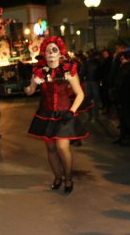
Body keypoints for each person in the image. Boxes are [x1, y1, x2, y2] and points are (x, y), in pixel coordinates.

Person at [24, 36, 88, 194]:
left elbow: (80, 94)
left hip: (64, 114)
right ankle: (57, 177)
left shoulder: (68, 70)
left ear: (60, 53)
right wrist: (26, 84)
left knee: (62, 147)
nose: (51, 53)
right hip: (45, 114)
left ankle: (68, 178)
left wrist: (71, 111)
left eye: (54, 50)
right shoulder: (39, 71)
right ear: (43, 54)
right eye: (48, 50)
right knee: (51, 148)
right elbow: (30, 91)